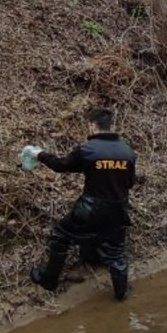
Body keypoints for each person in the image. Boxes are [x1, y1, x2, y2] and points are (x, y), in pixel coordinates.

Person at [24, 108, 137, 300]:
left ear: (93, 125)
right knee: (116, 253)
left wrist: (40, 154)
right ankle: (121, 295)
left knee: (60, 236)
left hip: (90, 208)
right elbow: (130, 183)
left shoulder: (87, 149)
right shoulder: (127, 152)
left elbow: (62, 166)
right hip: (118, 209)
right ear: (111, 126)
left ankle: (48, 280)